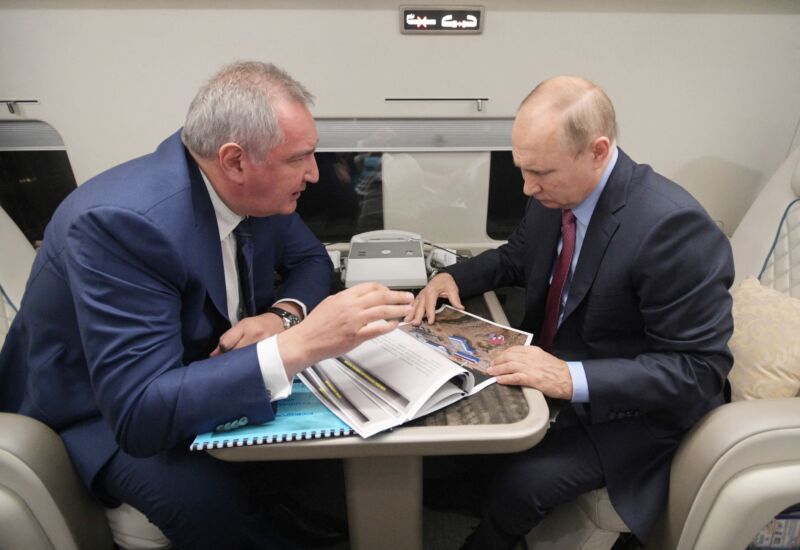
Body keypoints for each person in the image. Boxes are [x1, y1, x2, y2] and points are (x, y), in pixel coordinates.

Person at [0, 61, 414, 549]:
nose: (315, 173)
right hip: (95, 412)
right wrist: (300, 344)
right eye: (300, 158)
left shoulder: (253, 190)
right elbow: (137, 412)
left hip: (192, 368)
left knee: (315, 464)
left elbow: (310, 261)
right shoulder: (123, 226)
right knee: (215, 504)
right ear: (235, 160)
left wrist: (281, 317)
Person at [408, 76, 734, 548]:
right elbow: (516, 256)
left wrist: (569, 377)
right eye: (522, 168)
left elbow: (699, 370)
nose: (526, 186)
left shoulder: (673, 229)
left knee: (521, 484)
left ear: (597, 151)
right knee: (451, 435)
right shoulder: (555, 194)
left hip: (634, 411)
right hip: (559, 368)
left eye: (540, 173)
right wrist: (454, 278)